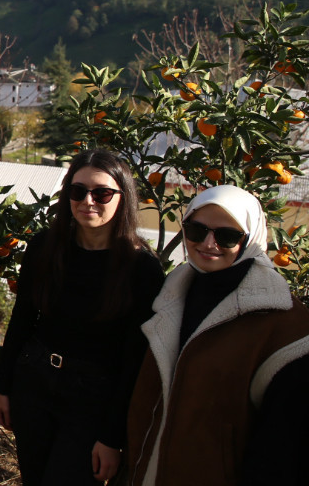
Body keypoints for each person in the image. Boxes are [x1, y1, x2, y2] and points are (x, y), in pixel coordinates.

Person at [0, 150, 164, 485]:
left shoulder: (141, 268)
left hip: (93, 399)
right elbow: (23, 319)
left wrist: (113, 437)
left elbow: (134, 360)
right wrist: (4, 386)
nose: (88, 201)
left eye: (101, 193)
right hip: (35, 383)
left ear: (122, 197)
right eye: (77, 190)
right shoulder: (45, 247)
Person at [125, 185, 309, 485]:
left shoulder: (284, 323)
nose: (208, 243)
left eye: (227, 236)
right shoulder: (169, 297)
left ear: (250, 239)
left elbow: (284, 441)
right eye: (196, 230)